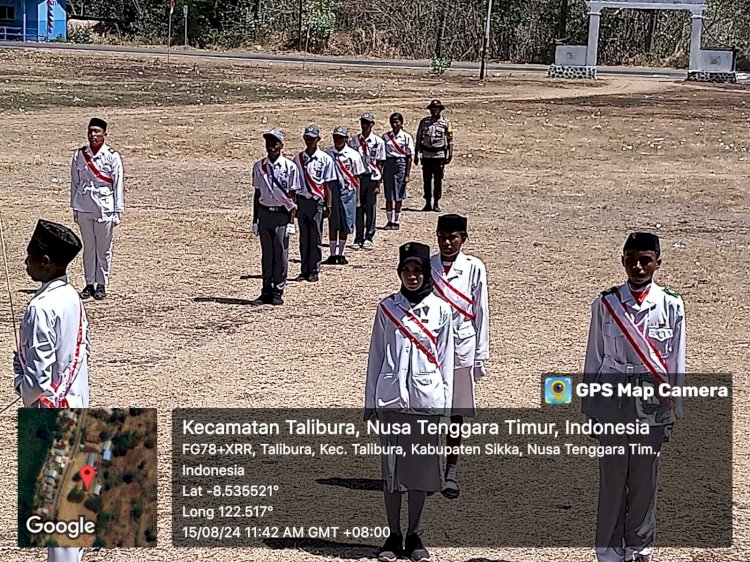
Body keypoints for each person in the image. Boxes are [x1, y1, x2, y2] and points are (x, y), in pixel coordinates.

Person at [583, 232, 686, 562]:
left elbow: (676, 361)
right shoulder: (606, 303)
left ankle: (640, 549)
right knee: (613, 478)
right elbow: (594, 356)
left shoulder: (671, 304)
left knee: (644, 479)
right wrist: (591, 407)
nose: (639, 266)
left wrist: (674, 409)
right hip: (614, 398)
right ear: (622, 260)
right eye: (632, 259)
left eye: (646, 260)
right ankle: (610, 551)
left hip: (652, 402)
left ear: (658, 262)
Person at [365, 242, 454, 562]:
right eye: (406, 271)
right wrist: (370, 401)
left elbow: (446, 361)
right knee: (392, 473)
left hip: (425, 398)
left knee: (419, 473)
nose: (412, 276)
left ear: (426, 273)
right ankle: (393, 535)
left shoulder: (442, 310)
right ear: (399, 273)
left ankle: (414, 534)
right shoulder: (387, 307)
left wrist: (444, 408)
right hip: (391, 399)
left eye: (417, 271)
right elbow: (376, 355)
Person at [12, 220, 90, 562]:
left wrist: (19, 381)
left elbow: (38, 382)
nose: (25, 264)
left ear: (45, 262)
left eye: (29, 258)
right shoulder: (71, 296)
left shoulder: (40, 308)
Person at [430, 214, 489, 499]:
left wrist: (481, 354)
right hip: (432, 345)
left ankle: (450, 471)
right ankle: (429, 469)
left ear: (463, 239)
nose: (447, 242)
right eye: (442, 236)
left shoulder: (474, 267)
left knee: (456, 413)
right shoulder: (428, 265)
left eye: (453, 237)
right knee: (429, 408)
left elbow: (481, 310)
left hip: (463, 342)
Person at [70, 117, 124, 301]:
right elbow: (75, 183)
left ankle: (102, 283)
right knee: (88, 248)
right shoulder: (79, 155)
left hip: (105, 206)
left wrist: (118, 211)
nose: (93, 135)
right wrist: (74, 208)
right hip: (84, 204)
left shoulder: (111, 156)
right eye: (90, 131)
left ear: (104, 135)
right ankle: (89, 283)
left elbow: (118, 185)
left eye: (97, 132)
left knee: (103, 248)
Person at [251, 129, 301, 305]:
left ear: (281, 145)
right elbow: (257, 194)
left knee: (280, 253)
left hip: (281, 214)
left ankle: (278, 290)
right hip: (265, 213)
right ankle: (265, 290)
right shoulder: (259, 167)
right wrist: (255, 220)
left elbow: (292, 196)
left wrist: (291, 221)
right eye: (268, 143)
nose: (271, 146)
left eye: (274, 143)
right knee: (267, 254)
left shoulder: (290, 167)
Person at [294, 124, 337, 282]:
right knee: (304, 237)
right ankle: (304, 269)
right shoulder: (298, 159)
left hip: (317, 201)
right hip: (302, 200)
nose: (309, 141)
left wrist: (328, 205)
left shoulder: (325, 159)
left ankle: (314, 269)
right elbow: (295, 182)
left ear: (318, 139)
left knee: (316, 237)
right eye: (307, 138)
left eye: (312, 138)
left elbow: (328, 185)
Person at [324, 126, 366, 265]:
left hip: (348, 191)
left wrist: (358, 198)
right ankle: (332, 253)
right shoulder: (328, 154)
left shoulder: (353, 155)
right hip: (333, 190)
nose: (338, 140)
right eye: (336, 137)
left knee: (345, 222)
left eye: (341, 137)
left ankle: (341, 253)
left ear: (346, 139)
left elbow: (357, 177)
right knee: (333, 223)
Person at [349, 112, 386, 249]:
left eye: (367, 123)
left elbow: (380, 163)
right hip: (358, 178)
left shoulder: (378, 142)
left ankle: (369, 236)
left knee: (370, 208)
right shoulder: (354, 141)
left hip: (371, 177)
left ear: (372, 125)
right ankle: (358, 237)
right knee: (358, 207)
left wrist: (378, 182)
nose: (364, 126)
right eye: (363, 123)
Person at [414, 100, 453, 212]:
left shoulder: (445, 122)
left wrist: (450, 154)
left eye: (436, 108)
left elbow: (450, 140)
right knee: (426, 180)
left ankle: (436, 202)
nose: (434, 110)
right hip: (426, 155)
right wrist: (416, 154)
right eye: (432, 108)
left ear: (440, 110)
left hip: (439, 155)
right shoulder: (424, 122)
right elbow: (418, 138)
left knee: (437, 180)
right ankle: (427, 202)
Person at [381, 113, 414, 231]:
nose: (395, 124)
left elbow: (409, 156)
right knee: (388, 194)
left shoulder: (406, 137)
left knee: (399, 194)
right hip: (388, 163)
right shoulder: (385, 137)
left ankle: (397, 220)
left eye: (397, 122)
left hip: (401, 163)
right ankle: (389, 220)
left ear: (401, 123)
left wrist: (407, 174)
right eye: (393, 122)